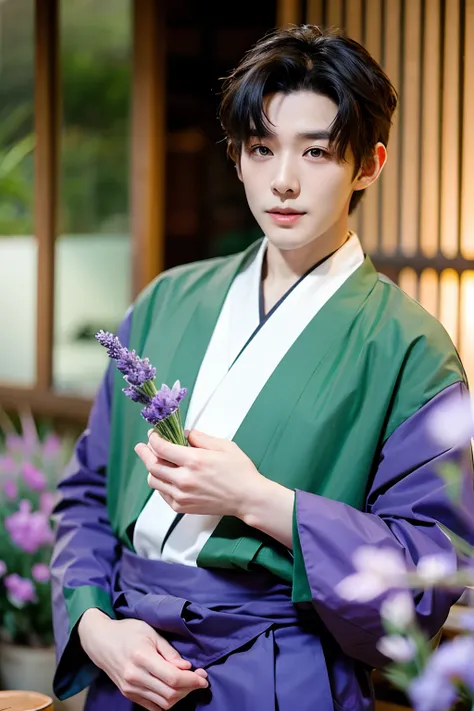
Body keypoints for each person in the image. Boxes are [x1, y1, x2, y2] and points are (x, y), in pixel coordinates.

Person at [51, 25, 474, 711]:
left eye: (317, 152)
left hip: (282, 674)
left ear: (368, 164)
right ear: (237, 157)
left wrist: (259, 500)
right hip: (128, 666)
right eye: (261, 148)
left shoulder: (411, 348)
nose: (283, 179)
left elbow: (424, 576)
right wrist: (97, 625)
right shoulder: (167, 299)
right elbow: (86, 495)